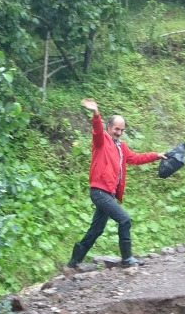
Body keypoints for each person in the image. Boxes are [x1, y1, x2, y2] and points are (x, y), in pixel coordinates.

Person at [67, 98, 166, 268]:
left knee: (96, 229)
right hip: (99, 191)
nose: (119, 132)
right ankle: (127, 259)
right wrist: (96, 113)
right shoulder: (101, 140)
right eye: (116, 129)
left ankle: (73, 262)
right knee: (124, 220)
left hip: (109, 193)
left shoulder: (122, 147)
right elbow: (97, 130)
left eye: (122, 130)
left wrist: (156, 155)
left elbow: (135, 158)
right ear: (109, 128)